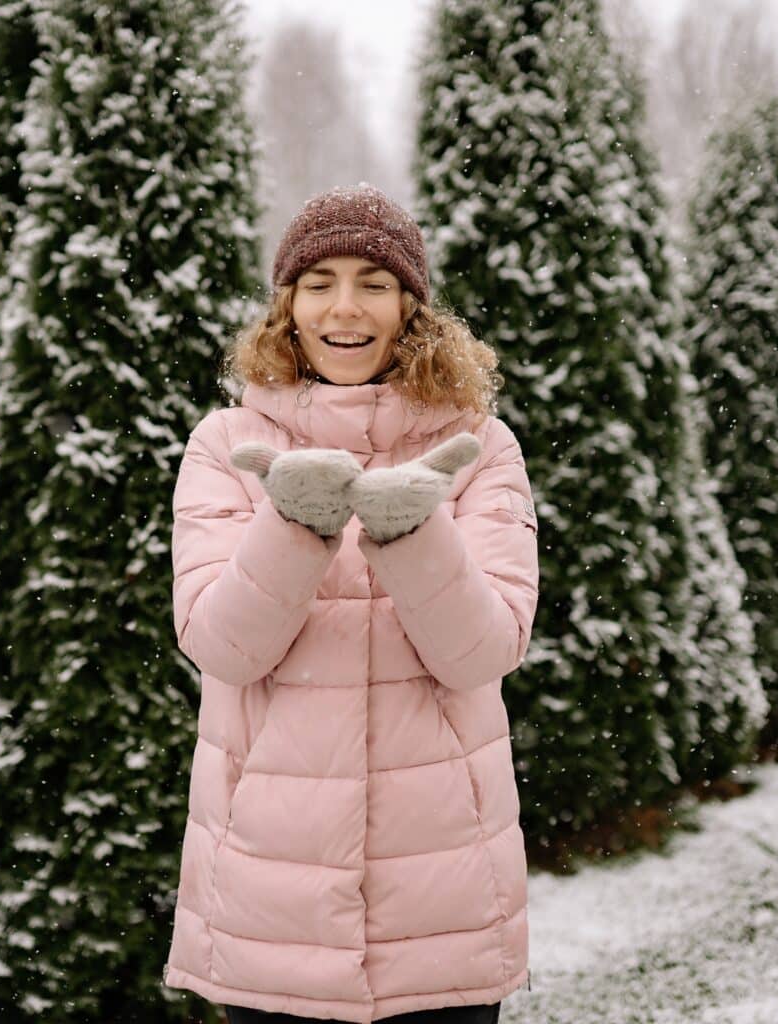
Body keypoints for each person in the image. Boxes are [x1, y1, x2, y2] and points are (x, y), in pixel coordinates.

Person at [161, 184, 540, 1024]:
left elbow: (484, 653)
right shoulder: (227, 445)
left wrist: (414, 533)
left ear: (410, 305)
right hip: (272, 907)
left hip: (443, 905)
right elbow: (223, 647)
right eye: (319, 280)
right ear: (287, 305)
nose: (346, 306)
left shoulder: (478, 447)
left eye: (374, 281)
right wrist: (295, 524)